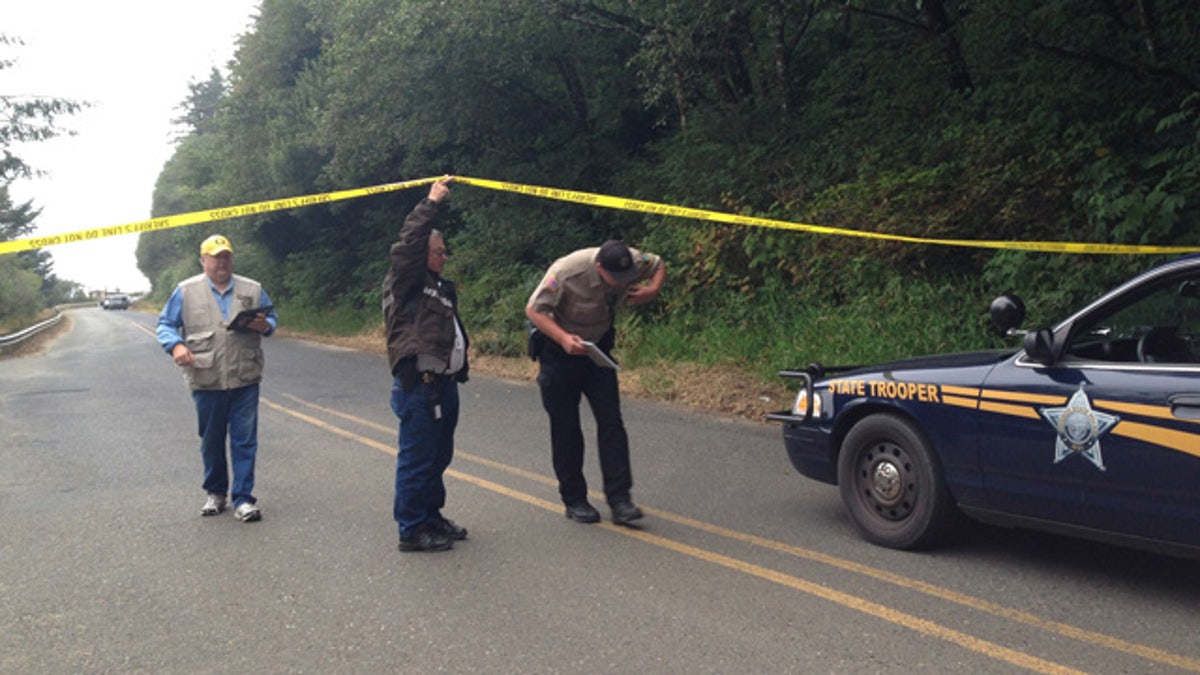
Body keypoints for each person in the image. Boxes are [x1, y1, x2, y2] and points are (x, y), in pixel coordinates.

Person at [525, 239, 665, 525]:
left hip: (596, 350)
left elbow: (659, 264)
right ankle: (574, 499)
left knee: (611, 422)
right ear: (599, 267)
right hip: (559, 350)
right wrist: (563, 339)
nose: (620, 285)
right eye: (615, 279)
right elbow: (534, 310)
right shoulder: (566, 272)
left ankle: (620, 500)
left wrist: (652, 289)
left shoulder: (634, 260)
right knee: (566, 427)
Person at [156, 234, 278, 523]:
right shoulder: (185, 291)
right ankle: (216, 493)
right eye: (215, 256)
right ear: (203, 261)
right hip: (206, 378)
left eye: (226, 256)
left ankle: (244, 499)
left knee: (244, 440)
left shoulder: (253, 288)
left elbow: (272, 321)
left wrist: (265, 325)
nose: (222, 262)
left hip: (245, 376)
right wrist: (176, 345)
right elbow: (165, 324)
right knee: (211, 440)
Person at [383, 176, 470, 553]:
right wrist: (431, 201)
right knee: (417, 459)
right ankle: (412, 528)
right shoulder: (407, 281)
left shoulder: (439, 285)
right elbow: (407, 245)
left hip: (444, 385)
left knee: (438, 457)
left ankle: (432, 516)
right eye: (439, 251)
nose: (444, 255)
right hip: (420, 385)